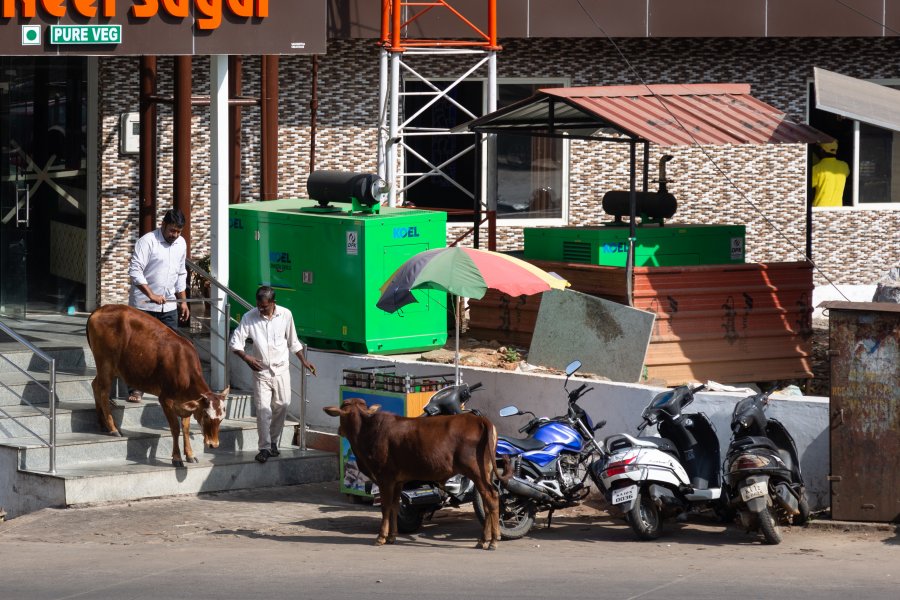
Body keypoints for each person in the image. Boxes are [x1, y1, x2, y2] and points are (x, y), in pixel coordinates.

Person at [229, 286, 317, 463]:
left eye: (264, 306)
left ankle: (274, 442)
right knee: (263, 409)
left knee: (283, 404)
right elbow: (235, 343)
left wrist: (304, 361)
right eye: (258, 306)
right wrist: (247, 358)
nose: (260, 309)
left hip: (281, 369)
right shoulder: (249, 317)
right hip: (261, 370)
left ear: (273, 303)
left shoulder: (285, 315)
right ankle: (264, 447)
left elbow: (293, 342)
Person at [126, 208, 190, 403]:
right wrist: (151, 294)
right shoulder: (147, 241)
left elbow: (181, 273)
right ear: (163, 225)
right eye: (172, 230)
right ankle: (136, 388)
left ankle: (169, 386)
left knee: (171, 347)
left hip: (168, 305)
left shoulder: (180, 243)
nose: (175, 235)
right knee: (140, 347)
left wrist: (183, 301)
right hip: (144, 304)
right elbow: (135, 270)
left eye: (178, 231)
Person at [811, 140, 850, 207]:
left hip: (819, 208)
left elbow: (807, 187)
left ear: (822, 151)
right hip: (838, 209)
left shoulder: (816, 168)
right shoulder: (844, 166)